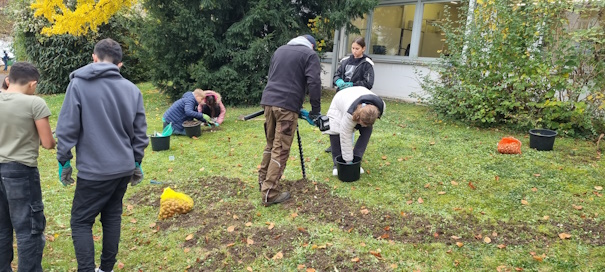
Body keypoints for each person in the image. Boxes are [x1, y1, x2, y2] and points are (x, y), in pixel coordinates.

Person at [55, 38, 149, 272]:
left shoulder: (78, 85)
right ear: (120, 64)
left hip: (95, 172)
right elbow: (140, 132)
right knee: (112, 217)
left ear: (94, 58)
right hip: (123, 168)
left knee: (80, 221)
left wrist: (64, 160)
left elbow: (67, 127)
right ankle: (106, 269)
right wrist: (137, 161)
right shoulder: (132, 89)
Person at [0, 62, 55, 272]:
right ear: (32, 84)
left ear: (9, 79)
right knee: (28, 230)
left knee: (2, 228)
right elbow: (48, 143)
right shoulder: (35, 104)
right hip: (20, 172)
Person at [258, 34, 322, 206]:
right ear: (312, 45)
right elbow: (314, 82)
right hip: (287, 107)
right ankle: (270, 193)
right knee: (281, 149)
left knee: (270, 144)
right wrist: (316, 111)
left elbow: (273, 76)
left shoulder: (280, 50)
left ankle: (262, 182)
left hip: (269, 102)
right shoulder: (309, 55)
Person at [326, 37, 375, 153]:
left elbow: (369, 83)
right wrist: (338, 81)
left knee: (351, 120)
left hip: (356, 97)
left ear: (363, 48)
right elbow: (336, 75)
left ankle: (347, 145)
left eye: (357, 48)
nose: (354, 51)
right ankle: (335, 145)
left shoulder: (367, 63)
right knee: (338, 119)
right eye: (353, 48)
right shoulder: (345, 60)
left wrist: (352, 84)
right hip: (341, 95)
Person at [323, 86, 385, 176]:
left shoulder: (380, 107)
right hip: (341, 100)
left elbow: (367, 123)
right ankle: (337, 165)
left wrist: (354, 163)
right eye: (362, 123)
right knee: (335, 131)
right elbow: (345, 136)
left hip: (360, 94)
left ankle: (357, 160)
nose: (363, 125)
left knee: (367, 131)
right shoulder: (350, 113)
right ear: (358, 116)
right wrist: (348, 161)